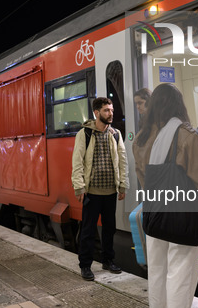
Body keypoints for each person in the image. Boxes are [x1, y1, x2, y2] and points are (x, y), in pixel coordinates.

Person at [133, 83, 198, 308]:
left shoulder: (140, 139)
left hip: (153, 214)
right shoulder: (186, 135)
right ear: (178, 105)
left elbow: (144, 180)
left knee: (157, 272)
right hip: (182, 215)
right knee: (181, 275)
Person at [71, 97, 129, 281]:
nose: (110, 113)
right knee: (88, 230)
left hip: (110, 191)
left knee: (109, 228)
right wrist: (79, 187)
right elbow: (77, 161)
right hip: (92, 193)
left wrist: (123, 185)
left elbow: (123, 161)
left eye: (111, 110)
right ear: (96, 113)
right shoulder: (85, 133)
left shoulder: (115, 134)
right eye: (106, 110)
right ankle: (85, 266)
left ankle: (108, 260)